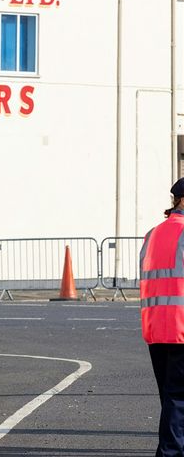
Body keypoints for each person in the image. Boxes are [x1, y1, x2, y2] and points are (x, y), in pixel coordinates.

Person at [141, 178, 184, 457]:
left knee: (170, 397)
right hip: (182, 327)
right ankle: (169, 452)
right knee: (178, 399)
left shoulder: (152, 234)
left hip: (157, 328)